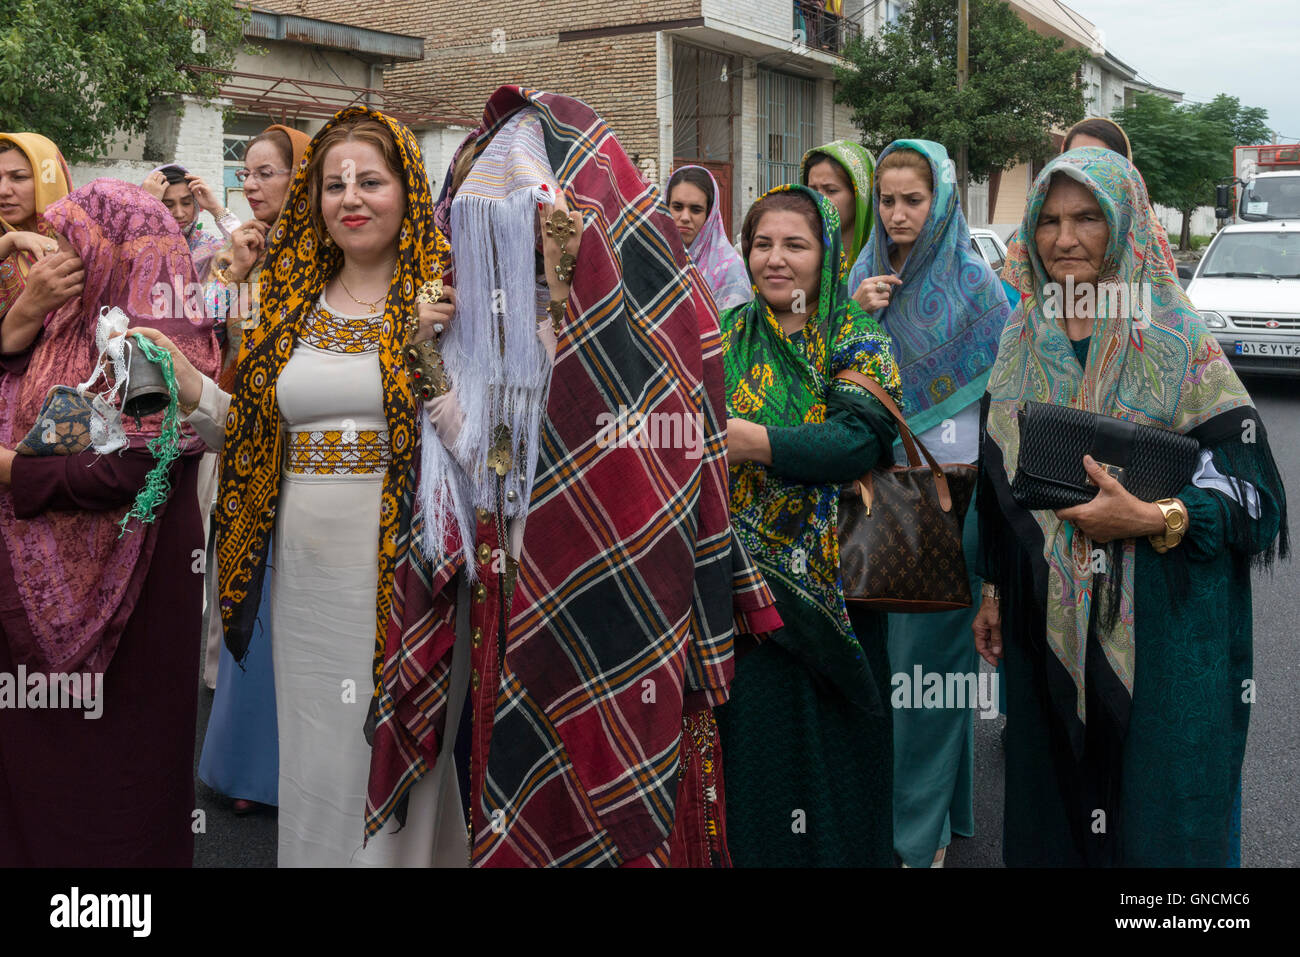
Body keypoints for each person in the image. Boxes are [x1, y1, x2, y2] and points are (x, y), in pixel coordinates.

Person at [368, 85, 779, 867]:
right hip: (512, 594)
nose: (512, 255)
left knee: (611, 806)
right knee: (519, 791)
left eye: (534, 231)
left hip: (615, 611)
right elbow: (491, 465)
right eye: (495, 236)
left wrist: (569, 308)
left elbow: (630, 462)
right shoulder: (487, 334)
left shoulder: (670, 313)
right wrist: (429, 355)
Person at [136, 108, 463, 867]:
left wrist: (425, 353)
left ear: (407, 190)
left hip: (408, 575)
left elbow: (492, 454)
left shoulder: (449, 299)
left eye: (371, 181)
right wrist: (185, 382)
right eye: (333, 183)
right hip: (303, 580)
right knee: (316, 761)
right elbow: (251, 437)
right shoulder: (289, 300)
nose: (351, 198)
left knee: (394, 756)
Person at [974, 146, 1288, 867]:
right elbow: (997, 486)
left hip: (1163, 627)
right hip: (1043, 624)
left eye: (1087, 217)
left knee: (1154, 821)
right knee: (1051, 810)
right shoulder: (1021, 337)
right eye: (1048, 220)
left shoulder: (1177, 341)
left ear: (1126, 225)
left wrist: (1154, 518)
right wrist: (991, 587)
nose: (1063, 239)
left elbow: (1256, 501)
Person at [0, 178, 220, 865]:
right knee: (41, 777)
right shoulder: (58, 320)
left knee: (123, 767)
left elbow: (132, 469)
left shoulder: (153, 338)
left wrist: (9, 469)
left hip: (142, 583)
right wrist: (26, 308)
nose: (59, 257)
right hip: (29, 601)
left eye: (74, 243)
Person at [714, 183, 902, 866]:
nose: (776, 259)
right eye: (763, 243)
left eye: (796, 244)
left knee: (834, 767)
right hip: (741, 599)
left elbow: (861, 439)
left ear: (829, 252)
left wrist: (755, 441)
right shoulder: (726, 333)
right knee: (755, 766)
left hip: (837, 596)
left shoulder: (856, 334)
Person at [847, 140, 1010, 867]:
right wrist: (857, 316)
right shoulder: (860, 279)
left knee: (927, 676)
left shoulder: (981, 289)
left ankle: (916, 841)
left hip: (958, 499)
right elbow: (833, 383)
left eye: (913, 200)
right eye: (887, 199)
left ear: (941, 200)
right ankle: (941, 815)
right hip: (881, 498)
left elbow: (1003, 409)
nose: (898, 213)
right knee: (898, 675)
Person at [0, 134, 79, 340]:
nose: (3, 190)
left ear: (48, 180)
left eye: (18, 177)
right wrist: (9, 242)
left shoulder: (82, 241)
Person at [666, 165, 751, 310]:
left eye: (696, 209)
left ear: (710, 215)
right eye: (678, 207)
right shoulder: (656, 258)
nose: (685, 217)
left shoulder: (731, 271)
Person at [141, 164, 240, 280]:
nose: (179, 214)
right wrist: (144, 208)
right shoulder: (137, 245)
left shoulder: (209, 248)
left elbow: (248, 251)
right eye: (167, 205)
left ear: (195, 204)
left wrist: (216, 208)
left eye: (186, 203)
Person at [802, 139, 875, 264]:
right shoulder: (800, 259)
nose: (818, 200)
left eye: (831, 191)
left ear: (860, 198)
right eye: (812, 190)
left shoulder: (887, 264)